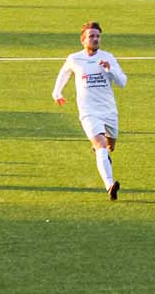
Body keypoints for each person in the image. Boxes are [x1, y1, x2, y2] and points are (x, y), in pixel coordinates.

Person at [52, 21, 127, 199]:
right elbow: (64, 73)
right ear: (83, 40)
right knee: (101, 146)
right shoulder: (75, 58)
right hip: (88, 111)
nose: (95, 39)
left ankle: (102, 153)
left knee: (110, 146)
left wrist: (110, 70)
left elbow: (122, 82)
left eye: (98, 36)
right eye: (91, 36)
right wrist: (57, 92)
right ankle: (110, 185)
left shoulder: (108, 57)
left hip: (109, 111)